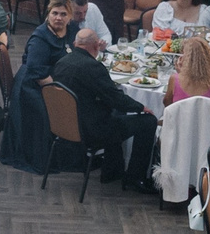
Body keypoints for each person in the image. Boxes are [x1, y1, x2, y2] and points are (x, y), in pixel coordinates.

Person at [54, 28, 158, 187]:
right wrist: (141, 106)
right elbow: (115, 98)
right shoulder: (93, 67)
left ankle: (112, 170)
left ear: (75, 44)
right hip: (91, 131)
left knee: (113, 111)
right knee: (148, 121)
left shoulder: (62, 62)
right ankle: (135, 178)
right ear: (96, 46)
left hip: (64, 125)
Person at [4, 0, 79, 170]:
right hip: (32, 87)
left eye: (63, 14)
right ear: (48, 14)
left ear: (69, 17)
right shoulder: (40, 39)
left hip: (57, 81)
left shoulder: (72, 30)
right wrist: (58, 95)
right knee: (52, 113)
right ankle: (45, 158)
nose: (58, 18)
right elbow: (37, 72)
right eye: (55, 13)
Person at [167, 37, 210, 107]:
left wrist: (180, 74)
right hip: (205, 118)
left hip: (180, 117)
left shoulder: (175, 79)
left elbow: (167, 104)